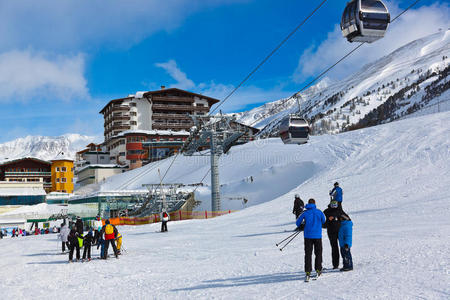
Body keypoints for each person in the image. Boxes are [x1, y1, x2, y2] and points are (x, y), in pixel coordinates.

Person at [296, 198, 326, 281]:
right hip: (317, 236)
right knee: (318, 253)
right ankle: (318, 269)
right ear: (315, 203)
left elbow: (297, 223)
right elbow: (324, 221)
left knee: (308, 254)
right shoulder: (319, 212)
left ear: (308, 204)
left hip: (308, 236)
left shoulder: (305, 212)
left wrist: (303, 223)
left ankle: (308, 271)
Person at [323, 200, 342, 269]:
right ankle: (335, 265)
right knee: (334, 248)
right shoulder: (326, 212)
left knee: (343, 247)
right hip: (331, 232)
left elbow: (347, 219)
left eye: (335, 204)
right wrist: (329, 220)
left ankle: (346, 263)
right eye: (333, 204)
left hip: (340, 231)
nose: (334, 206)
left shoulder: (339, 210)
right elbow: (323, 225)